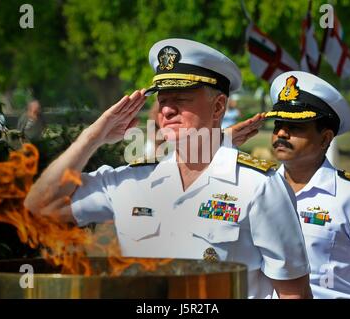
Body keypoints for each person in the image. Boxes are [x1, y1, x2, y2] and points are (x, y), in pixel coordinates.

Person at [25, 39, 312, 298]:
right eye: (162, 100)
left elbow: (293, 293)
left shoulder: (258, 185)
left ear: (218, 107)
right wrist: (92, 137)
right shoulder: (132, 180)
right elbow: (40, 205)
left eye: (181, 99)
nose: (167, 110)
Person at [228, 71, 350, 298]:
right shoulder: (257, 188)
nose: (281, 133)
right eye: (278, 124)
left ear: (325, 138)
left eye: (296, 127)